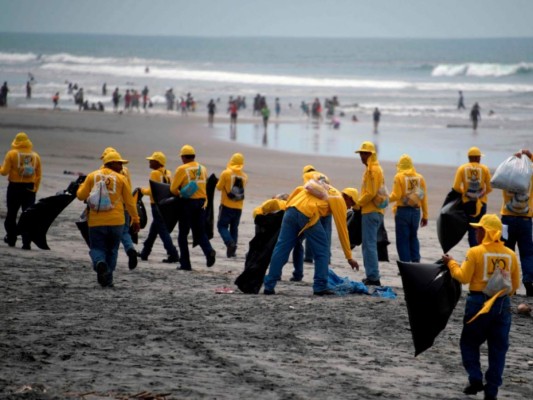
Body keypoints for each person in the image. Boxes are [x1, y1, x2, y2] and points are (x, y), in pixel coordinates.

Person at [442, 214, 520, 400]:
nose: (476, 232)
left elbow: (463, 277)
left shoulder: (475, 252)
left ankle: (475, 377)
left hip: (478, 303)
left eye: (479, 229)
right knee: (498, 349)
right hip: (502, 305)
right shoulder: (510, 255)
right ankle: (491, 391)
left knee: (469, 343)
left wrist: (451, 263)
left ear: (485, 232)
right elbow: (515, 286)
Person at [263, 175, 359, 295]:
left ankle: (269, 285)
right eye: (351, 204)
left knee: (281, 248)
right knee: (323, 250)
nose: (349, 207)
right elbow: (342, 230)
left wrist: (288, 206)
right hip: (307, 214)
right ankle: (320, 286)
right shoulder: (339, 199)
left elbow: (299, 189)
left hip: (291, 209)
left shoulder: (325, 188)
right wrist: (349, 257)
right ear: (348, 197)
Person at [76, 151, 140, 287]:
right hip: (117, 222)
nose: (122, 166)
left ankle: (100, 263)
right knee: (112, 250)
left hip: (96, 222)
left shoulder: (92, 176)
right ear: (111, 163)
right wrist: (135, 219)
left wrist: (82, 186)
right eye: (119, 163)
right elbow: (129, 203)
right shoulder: (121, 179)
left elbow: (81, 196)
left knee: (97, 247)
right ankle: (108, 278)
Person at [170, 144, 216, 270]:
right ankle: (209, 251)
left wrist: (179, 193)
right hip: (201, 203)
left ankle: (185, 264)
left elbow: (173, 189)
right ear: (194, 156)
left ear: (183, 157)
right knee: (200, 233)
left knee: (183, 234)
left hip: (187, 204)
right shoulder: (203, 168)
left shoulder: (181, 169)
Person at [500, 149, 533, 297]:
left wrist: (513, 157)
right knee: (527, 253)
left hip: (507, 219)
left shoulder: (507, 175)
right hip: (525, 219)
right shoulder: (530, 176)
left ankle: (507, 284)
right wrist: (530, 156)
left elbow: (500, 174)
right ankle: (528, 282)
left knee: (507, 252)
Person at [0, 132, 42, 249]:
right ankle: (26, 242)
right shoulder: (35, 156)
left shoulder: (11, 154)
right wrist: (35, 188)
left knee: (12, 214)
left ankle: (11, 238)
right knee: (28, 215)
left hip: (14, 187)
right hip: (29, 188)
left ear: (16, 142)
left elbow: (4, 172)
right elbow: (38, 175)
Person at [100, 147, 138, 269]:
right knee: (125, 232)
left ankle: (104, 264)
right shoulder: (125, 170)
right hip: (125, 206)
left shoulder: (102, 171)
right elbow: (129, 188)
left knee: (107, 240)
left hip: (110, 208)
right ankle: (130, 249)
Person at [138, 151, 180, 263]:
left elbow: (152, 191)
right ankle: (145, 252)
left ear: (157, 162)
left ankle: (173, 253)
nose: (149, 162)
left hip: (156, 205)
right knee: (154, 230)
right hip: (166, 205)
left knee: (162, 230)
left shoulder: (155, 174)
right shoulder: (168, 173)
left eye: (151, 160)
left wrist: (141, 190)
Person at [355, 141, 386, 286]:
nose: (361, 156)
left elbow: (370, 193)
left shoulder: (372, 170)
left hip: (371, 211)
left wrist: (358, 203)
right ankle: (372, 276)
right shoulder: (374, 168)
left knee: (369, 245)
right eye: (360, 153)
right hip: (376, 211)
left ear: (370, 154)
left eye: (364, 153)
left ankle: (373, 277)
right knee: (369, 244)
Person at [389, 154, 428, 262]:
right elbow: (423, 197)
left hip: (402, 212)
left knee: (402, 239)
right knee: (413, 237)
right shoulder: (420, 178)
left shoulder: (399, 177)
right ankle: (415, 261)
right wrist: (425, 215)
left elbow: (396, 195)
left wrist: (384, 200)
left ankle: (405, 263)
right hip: (416, 212)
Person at [453, 147, 492, 247]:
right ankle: (481, 250)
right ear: (478, 158)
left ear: (469, 158)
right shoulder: (484, 169)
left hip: (468, 204)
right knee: (481, 229)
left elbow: (456, 187)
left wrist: (466, 193)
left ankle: (474, 251)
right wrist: (481, 194)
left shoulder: (462, 168)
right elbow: (490, 187)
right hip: (481, 203)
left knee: (471, 229)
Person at [216, 153, 248, 258]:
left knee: (222, 226)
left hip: (226, 206)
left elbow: (219, 187)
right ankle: (232, 252)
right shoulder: (244, 176)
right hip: (238, 207)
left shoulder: (226, 173)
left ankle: (230, 243)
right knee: (234, 228)